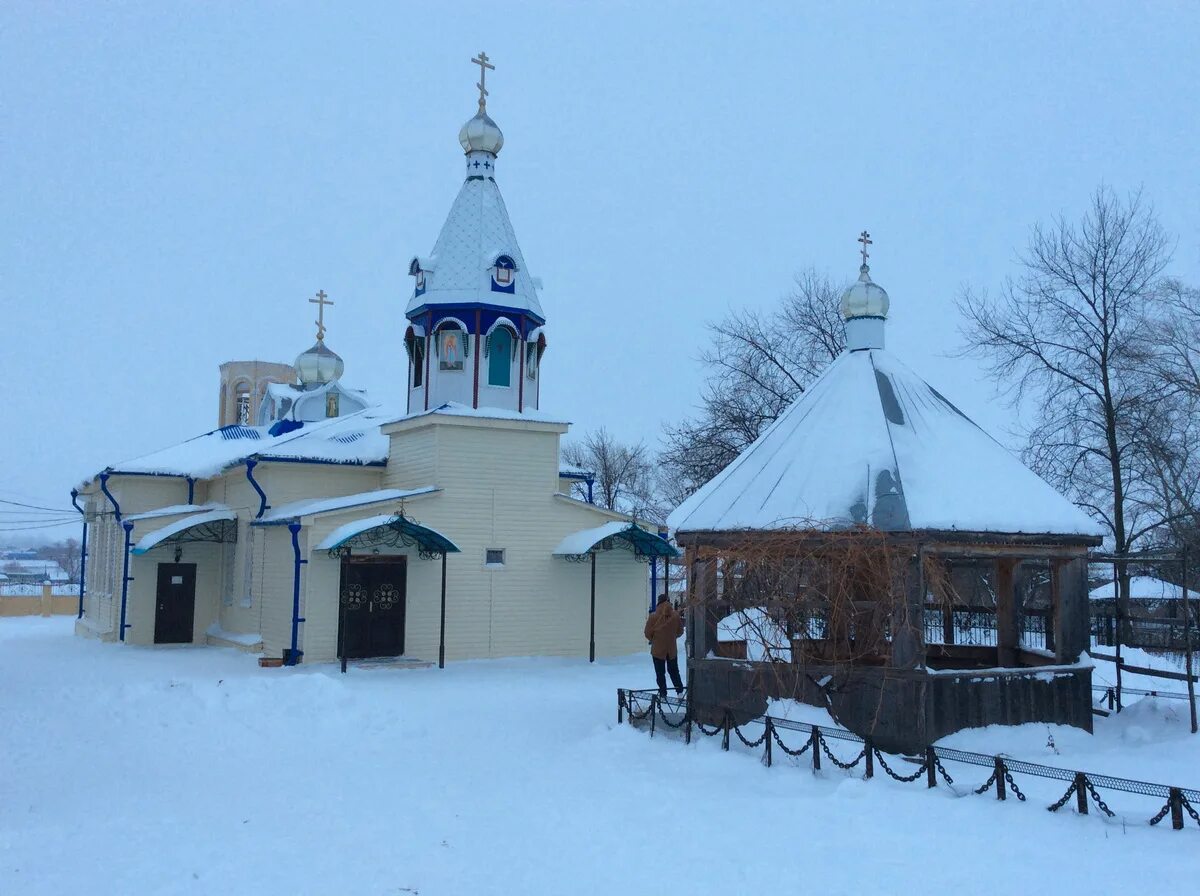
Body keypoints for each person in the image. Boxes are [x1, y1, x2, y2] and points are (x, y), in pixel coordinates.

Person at [644, 594, 685, 698]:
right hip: (671, 649)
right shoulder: (675, 615)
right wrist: (672, 637)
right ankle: (680, 691)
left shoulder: (653, 616)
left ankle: (663, 694)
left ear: (658, 602)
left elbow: (647, 633)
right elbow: (680, 631)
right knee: (674, 671)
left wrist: (654, 639)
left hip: (657, 649)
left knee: (660, 673)